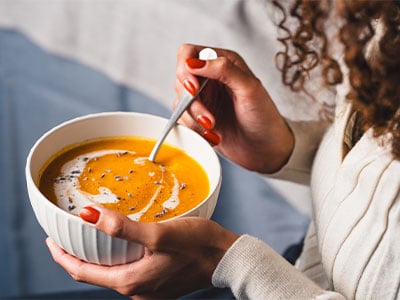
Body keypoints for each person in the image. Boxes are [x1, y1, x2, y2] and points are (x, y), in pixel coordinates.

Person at [46, 0, 400, 299]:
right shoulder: (386, 24)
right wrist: (286, 150)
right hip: (295, 268)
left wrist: (226, 260)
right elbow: (377, 155)